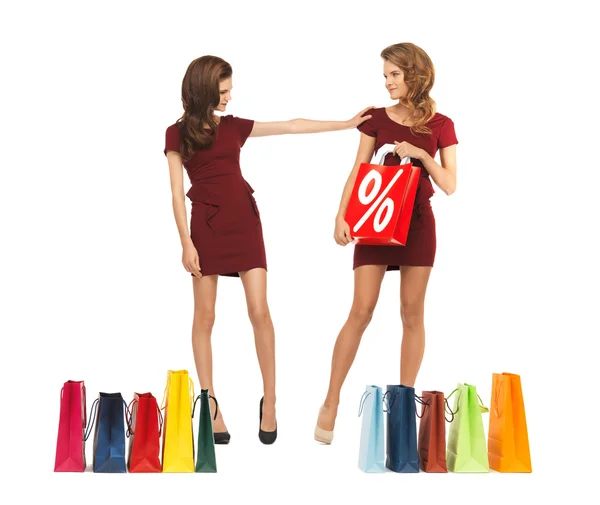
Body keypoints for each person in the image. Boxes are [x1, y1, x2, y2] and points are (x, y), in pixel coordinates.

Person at [163, 55, 373, 445]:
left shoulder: (234, 127)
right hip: (204, 226)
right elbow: (176, 194)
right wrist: (185, 243)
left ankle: (270, 400)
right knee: (204, 315)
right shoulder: (176, 134)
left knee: (259, 310)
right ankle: (209, 403)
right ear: (205, 90)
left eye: (229, 90)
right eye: (223, 91)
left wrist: (345, 124)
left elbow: (291, 125)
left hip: (243, 220)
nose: (229, 97)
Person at [314, 43, 458, 444]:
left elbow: (450, 184)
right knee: (360, 310)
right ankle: (331, 400)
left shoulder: (442, 123)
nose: (387, 82)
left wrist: (421, 156)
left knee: (412, 313)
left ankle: (402, 404)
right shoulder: (375, 119)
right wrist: (341, 216)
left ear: (415, 74)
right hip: (375, 219)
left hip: (417, 223)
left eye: (394, 74)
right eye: (385, 75)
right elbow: (359, 169)